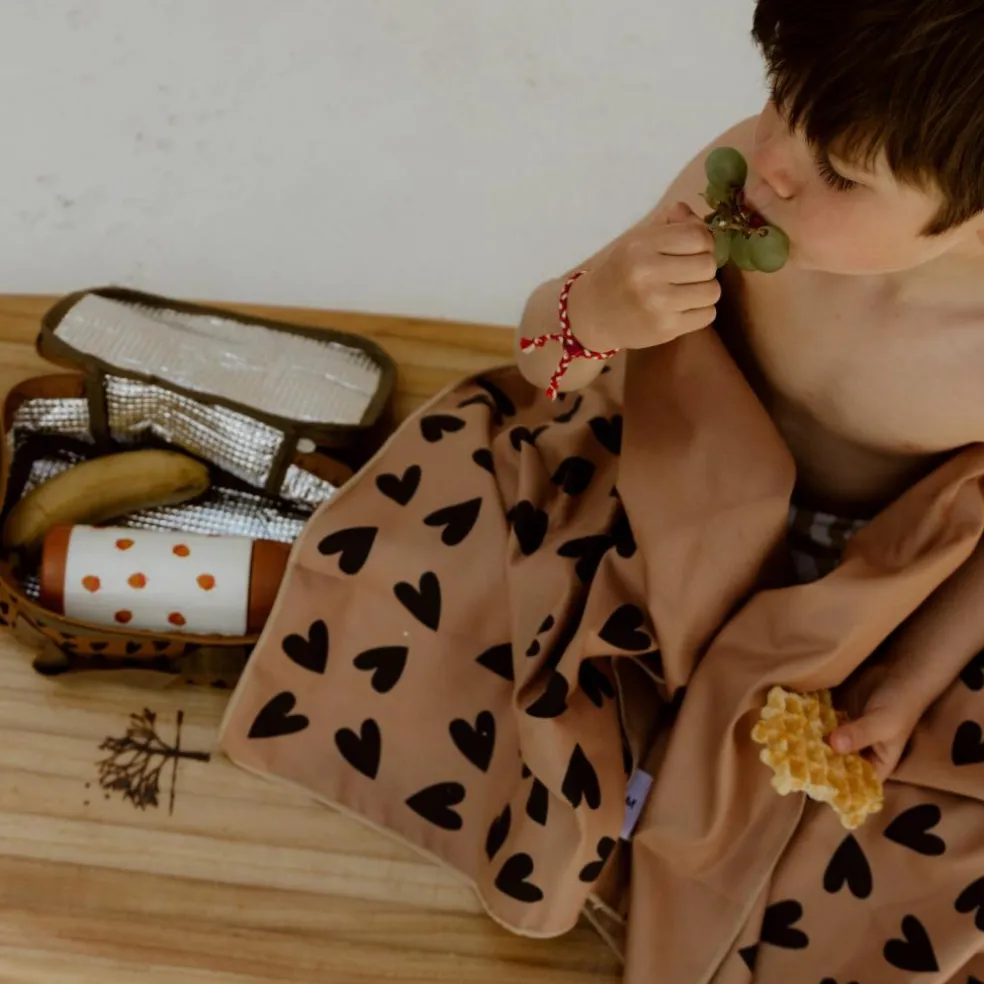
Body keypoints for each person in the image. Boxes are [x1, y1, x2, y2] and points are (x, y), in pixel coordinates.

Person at [515, 0, 984, 781]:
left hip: (869, 574)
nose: (770, 163)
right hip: (659, 494)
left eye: (840, 172)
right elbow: (540, 364)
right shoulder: (735, 189)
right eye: (780, 98)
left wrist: (912, 676)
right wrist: (594, 311)